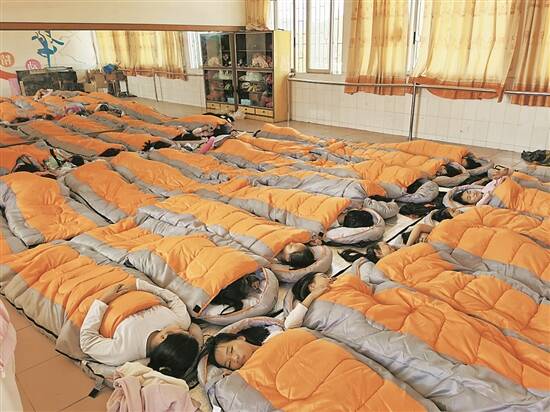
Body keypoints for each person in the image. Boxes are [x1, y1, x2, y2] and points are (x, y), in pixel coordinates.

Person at [80, 279, 203, 379]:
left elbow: (87, 342)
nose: (186, 329)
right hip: (130, 283)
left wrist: (102, 300)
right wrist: (140, 285)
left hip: (96, 294)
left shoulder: (124, 351)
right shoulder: (181, 321)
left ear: (163, 337)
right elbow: (173, 299)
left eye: (184, 332)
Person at [202, 326, 274, 370]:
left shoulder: (274, 336)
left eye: (231, 350)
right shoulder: (252, 377)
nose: (235, 358)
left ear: (240, 338)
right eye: (229, 363)